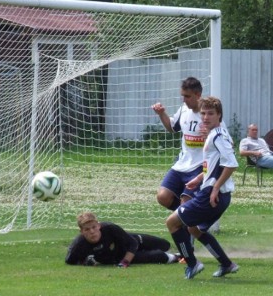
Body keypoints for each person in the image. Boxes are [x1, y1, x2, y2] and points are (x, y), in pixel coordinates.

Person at [165, 96, 239, 279]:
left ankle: (192, 264)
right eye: (203, 113)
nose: (206, 117)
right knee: (193, 229)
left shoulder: (218, 136)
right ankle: (227, 264)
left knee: (172, 223)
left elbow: (231, 164)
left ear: (219, 115)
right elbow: (215, 163)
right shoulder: (215, 134)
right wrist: (199, 178)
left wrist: (214, 188)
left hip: (212, 195)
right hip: (218, 194)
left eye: (210, 114)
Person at [151, 77, 207, 211]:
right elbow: (172, 127)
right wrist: (161, 113)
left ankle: (186, 218)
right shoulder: (183, 109)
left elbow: (224, 138)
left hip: (199, 166)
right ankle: (188, 216)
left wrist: (210, 135)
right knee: (163, 197)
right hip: (182, 163)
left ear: (198, 95)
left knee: (185, 204)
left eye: (187, 96)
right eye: (183, 96)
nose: (184, 100)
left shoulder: (209, 114)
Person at [65, 212, 180, 267]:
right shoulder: (78, 245)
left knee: (164, 244)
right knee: (159, 256)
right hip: (120, 256)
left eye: (94, 227)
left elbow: (133, 243)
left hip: (131, 241)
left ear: (99, 226)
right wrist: (85, 261)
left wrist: (125, 263)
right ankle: (178, 256)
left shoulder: (110, 228)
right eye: (87, 229)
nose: (92, 231)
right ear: (81, 231)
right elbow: (70, 260)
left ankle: (177, 251)